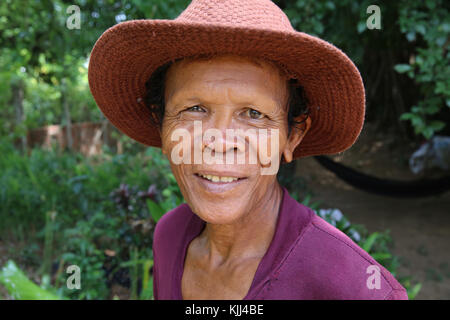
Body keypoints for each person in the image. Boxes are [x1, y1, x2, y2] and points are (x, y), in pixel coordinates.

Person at [88, 0, 408, 300]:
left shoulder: (352, 285)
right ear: (161, 125)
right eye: (195, 108)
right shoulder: (169, 236)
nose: (220, 141)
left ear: (292, 136)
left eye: (254, 114)